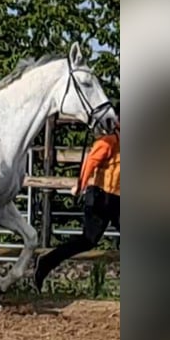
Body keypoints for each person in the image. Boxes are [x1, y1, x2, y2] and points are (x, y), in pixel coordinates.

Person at [34, 112, 120, 292]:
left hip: (117, 198)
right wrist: (80, 185)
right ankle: (47, 262)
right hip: (101, 196)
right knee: (87, 240)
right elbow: (90, 162)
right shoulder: (108, 141)